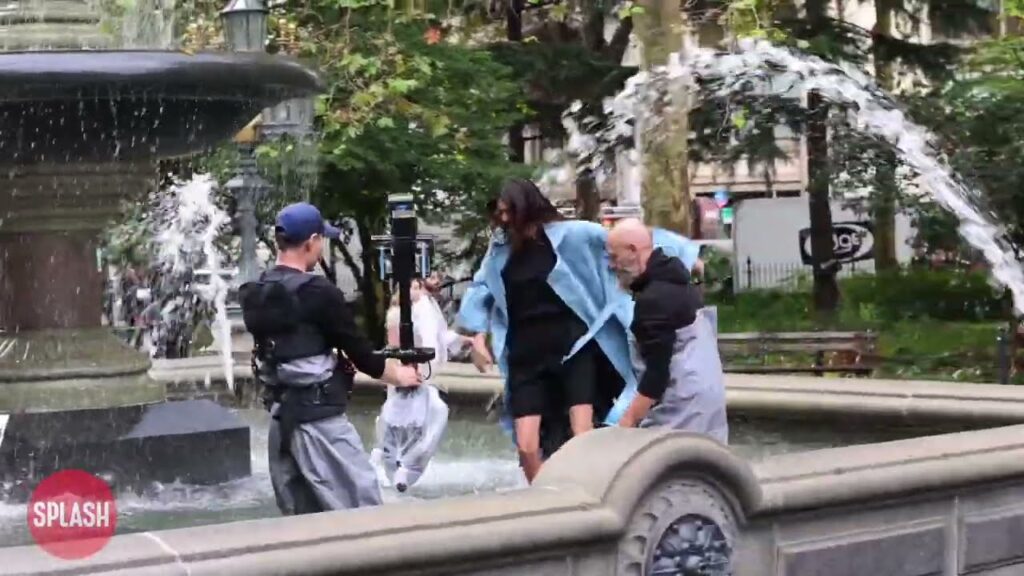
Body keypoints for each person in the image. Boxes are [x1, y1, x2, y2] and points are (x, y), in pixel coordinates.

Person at [458, 179, 701, 482]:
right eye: (500, 214)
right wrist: (478, 338)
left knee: (581, 432)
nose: (504, 220)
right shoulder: (500, 251)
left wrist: (687, 255)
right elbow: (482, 289)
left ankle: (586, 487)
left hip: (574, 347)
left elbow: (627, 239)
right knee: (526, 444)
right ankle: (543, 495)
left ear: (527, 207)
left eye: (509, 212)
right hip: (526, 355)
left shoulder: (569, 235)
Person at [239, 202, 421, 515]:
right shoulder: (318, 292)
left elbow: (290, 346)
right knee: (364, 509)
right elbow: (361, 354)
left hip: (282, 421)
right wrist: (400, 375)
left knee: (304, 516)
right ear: (311, 242)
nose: (322, 247)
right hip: (320, 423)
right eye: (321, 239)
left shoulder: (254, 292)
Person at [606, 218, 728, 443]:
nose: (611, 266)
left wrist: (626, 424)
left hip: (683, 409)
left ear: (633, 250)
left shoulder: (654, 300)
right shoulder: (677, 281)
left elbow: (656, 376)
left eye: (614, 257)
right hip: (707, 404)